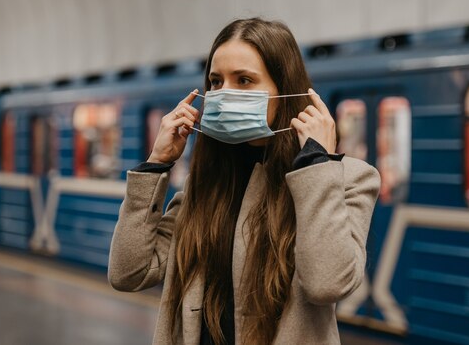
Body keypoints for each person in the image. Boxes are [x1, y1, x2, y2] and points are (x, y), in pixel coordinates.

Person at [108, 18, 381, 345]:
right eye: (216, 81)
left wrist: (316, 164)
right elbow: (128, 273)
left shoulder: (348, 178)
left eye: (245, 80)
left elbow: (327, 284)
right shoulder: (203, 186)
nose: (225, 94)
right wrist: (156, 165)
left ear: (284, 90)